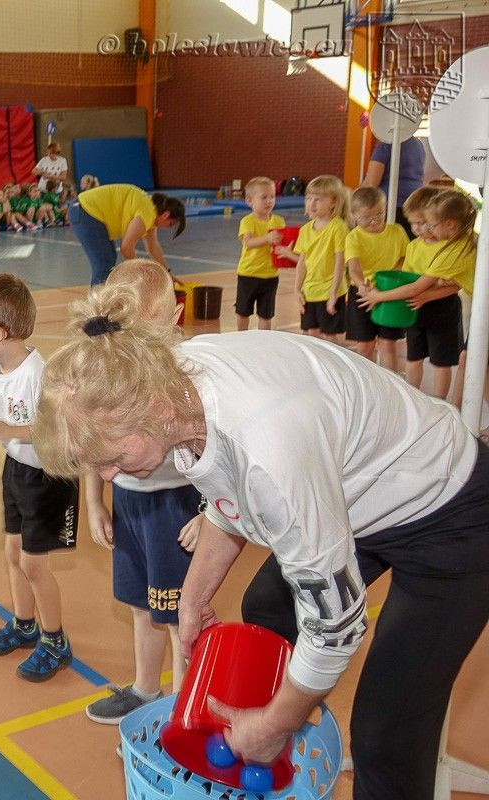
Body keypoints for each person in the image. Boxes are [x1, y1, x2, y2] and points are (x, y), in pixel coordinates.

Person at [33, 286, 489, 800]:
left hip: (449, 514)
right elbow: (227, 498)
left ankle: (278, 730)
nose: (108, 476)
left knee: (387, 733)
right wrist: (192, 597)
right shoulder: (156, 378)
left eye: (111, 456)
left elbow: (336, 627)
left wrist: (276, 722)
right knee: (268, 604)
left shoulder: (269, 454)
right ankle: (264, 725)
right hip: (352, 491)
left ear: (156, 410)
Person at [80, 259, 198, 723]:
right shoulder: (107, 364)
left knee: (178, 615)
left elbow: (220, 449)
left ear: (175, 316)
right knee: (140, 604)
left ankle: (184, 712)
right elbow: (91, 437)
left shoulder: (189, 368)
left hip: (178, 504)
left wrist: (208, 513)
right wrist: (93, 501)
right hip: (128, 500)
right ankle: (146, 691)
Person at [0, 273, 79, 682]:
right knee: (12, 554)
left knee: (33, 564)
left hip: (47, 476)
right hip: (16, 470)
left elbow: (59, 431)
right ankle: (24, 623)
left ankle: (55, 639)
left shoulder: (37, 375)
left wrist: (9, 430)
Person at [359, 189, 475, 401]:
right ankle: (415, 399)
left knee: (444, 360)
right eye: (414, 224)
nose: (420, 229)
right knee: (416, 355)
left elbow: (425, 287)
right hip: (415, 307)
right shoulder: (416, 246)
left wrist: (378, 297)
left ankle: (442, 403)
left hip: (442, 308)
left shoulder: (449, 248)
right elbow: (409, 279)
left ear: (442, 221)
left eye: (425, 223)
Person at [276, 174, 349, 343]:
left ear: (333, 202)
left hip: (330, 291)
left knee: (329, 337)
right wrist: (297, 289)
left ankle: (331, 368)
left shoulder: (338, 227)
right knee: (309, 335)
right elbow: (302, 262)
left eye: (319, 199)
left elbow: (340, 264)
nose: (312, 203)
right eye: (309, 198)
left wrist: (333, 295)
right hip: (310, 292)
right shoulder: (306, 229)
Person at [343, 186, 408, 369]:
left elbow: (404, 259)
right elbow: (354, 267)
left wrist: (391, 276)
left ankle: (392, 383)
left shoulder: (397, 232)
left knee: (388, 344)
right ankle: (369, 383)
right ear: (355, 215)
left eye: (379, 215)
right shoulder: (353, 237)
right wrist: (362, 286)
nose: (374, 222)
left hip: (390, 293)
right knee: (365, 345)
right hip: (363, 293)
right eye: (366, 218)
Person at [71, 183, 186, 284]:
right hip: (85, 211)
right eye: (170, 224)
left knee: (109, 258)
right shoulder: (147, 213)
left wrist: (167, 273)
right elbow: (126, 248)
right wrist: (139, 271)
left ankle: (100, 302)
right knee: (104, 262)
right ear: (165, 215)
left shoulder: (151, 212)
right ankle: (98, 305)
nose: (167, 227)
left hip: (83, 209)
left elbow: (153, 247)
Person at [234, 176, 285, 332]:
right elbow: (248, 242)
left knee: (266, 315)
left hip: (270, 276)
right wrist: (268, 238)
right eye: (264, 197)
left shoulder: (279, 221)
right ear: (249, 200)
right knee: (243, 312)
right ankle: (241, 337)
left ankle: (264, 341)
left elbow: (282, 246)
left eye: (272, 197)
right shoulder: (247, 221)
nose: (269, 201)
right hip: (248, 274)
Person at [361, 134, 425, 235]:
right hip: (416, 202)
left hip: (391, 205)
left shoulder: (386, 145)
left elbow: (371, 184)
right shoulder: (418, 145)